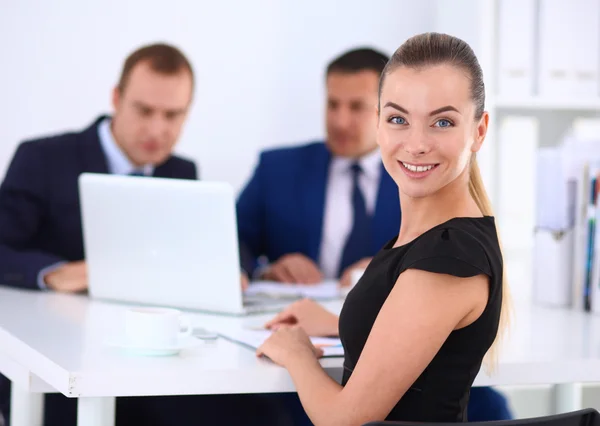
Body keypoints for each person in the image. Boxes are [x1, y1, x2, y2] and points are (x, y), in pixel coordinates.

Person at [256, 32, 513, 424]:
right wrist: (334, 321)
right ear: (378, 125)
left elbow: (343, 420)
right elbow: (411, 333)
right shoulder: (436, 237)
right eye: (398, 119)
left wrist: (297, 353)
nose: (415, 144)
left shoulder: (445, 261)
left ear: (479, 131)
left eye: (442, 122)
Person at [0, 42, 254, 426]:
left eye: (173, 115)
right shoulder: (42, 158)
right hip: (57, 362)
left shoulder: (182, 171)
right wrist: (53, 272)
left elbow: (223, 244)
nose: (157, 129)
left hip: (151, 362)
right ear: (116, 99)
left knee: (253, 411)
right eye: (144, 110)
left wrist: (233, 269)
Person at [237, 47, 400, 287]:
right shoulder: (277, 169)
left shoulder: (418, 177)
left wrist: (393, 268)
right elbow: (232, 240)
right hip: (289, 315)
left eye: (356, 107)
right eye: (333, 105)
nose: (340, 122)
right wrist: (266, 270)